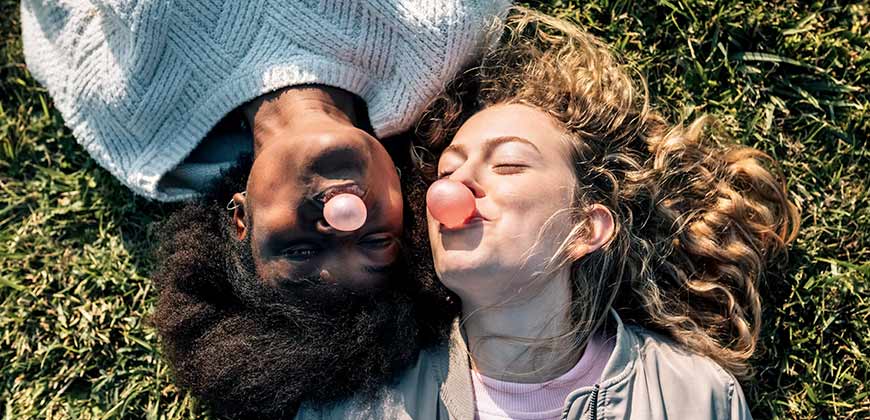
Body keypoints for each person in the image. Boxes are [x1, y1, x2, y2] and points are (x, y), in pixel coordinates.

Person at [294, 7, 799, 419]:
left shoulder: (695, 397)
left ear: (586, 227)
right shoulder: (356, 401)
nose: (457, 187)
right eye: (447, 172)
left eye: (508, 163)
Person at [20, 0, 509, 417]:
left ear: (240, 220)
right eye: (377, 242)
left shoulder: (136, 125)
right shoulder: (442, 37)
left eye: (299, 252)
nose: (341, 223)